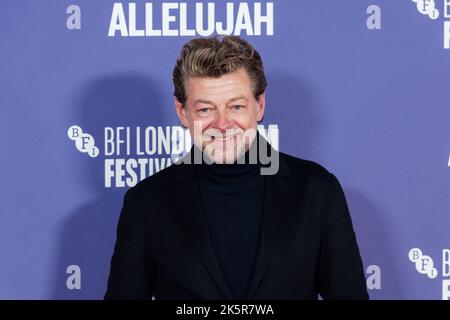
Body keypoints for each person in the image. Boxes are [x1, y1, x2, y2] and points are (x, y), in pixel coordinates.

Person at [104, 35, 369, 300]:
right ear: (182, 112)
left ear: (260, 106)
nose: (222, 124)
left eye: (237, 106)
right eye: (206, 109)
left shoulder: (317, 190)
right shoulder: (146, 202)